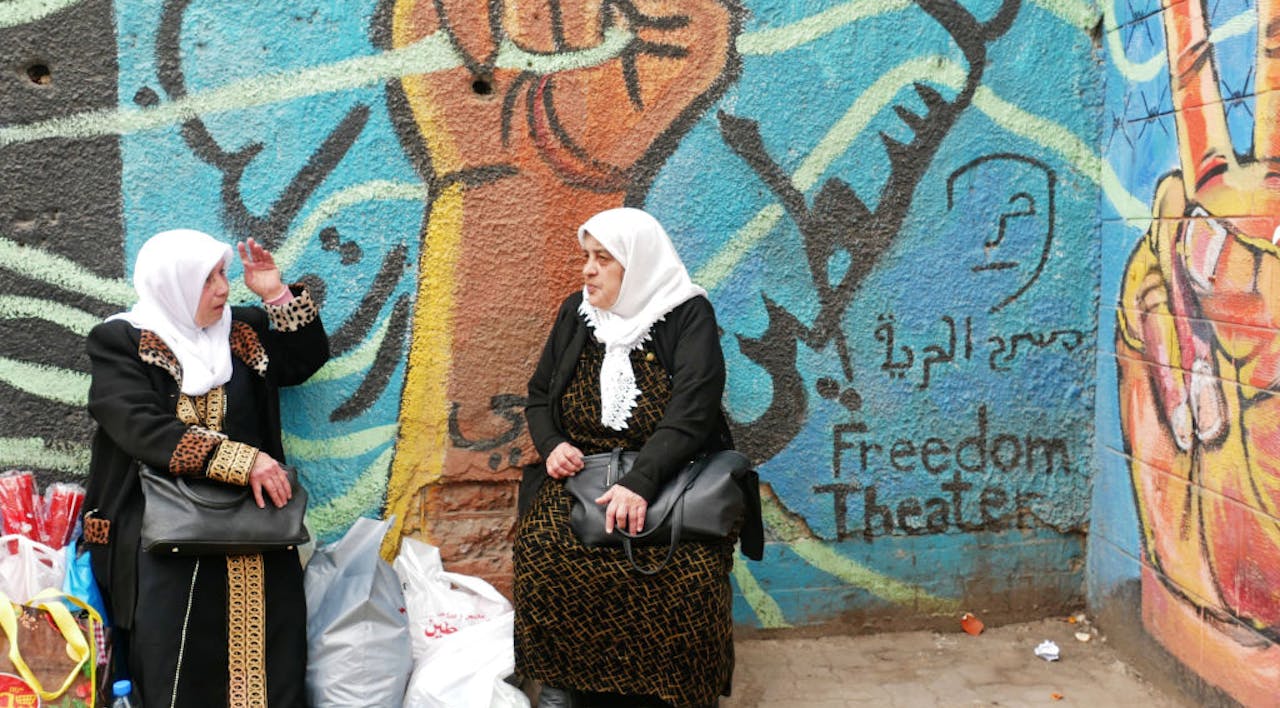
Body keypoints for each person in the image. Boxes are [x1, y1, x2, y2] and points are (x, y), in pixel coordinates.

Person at [514, 207, 761, 708]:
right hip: (582, 475)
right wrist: (553, 445)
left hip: (671, 474)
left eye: (603, 259)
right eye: (586, 256)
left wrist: (640, 483)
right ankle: (561, 681)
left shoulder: (687, 314)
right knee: (543, 546)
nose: (588, 270)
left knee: (690, 568)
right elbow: (539, 395)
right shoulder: (576, 313)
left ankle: (682, 692)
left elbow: (694, 410)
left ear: (639, 263)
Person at [82, 229, 329, 707]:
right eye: (207, 279)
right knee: (176, 663)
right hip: (162, 536)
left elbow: (304, 360)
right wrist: (241, 460)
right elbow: (137, 425)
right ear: (172, 285)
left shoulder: (242, 330)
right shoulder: (121, 341)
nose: (222, 289)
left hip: (256, 528)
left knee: (272, 661)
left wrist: (277, 295)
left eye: (222, 275)